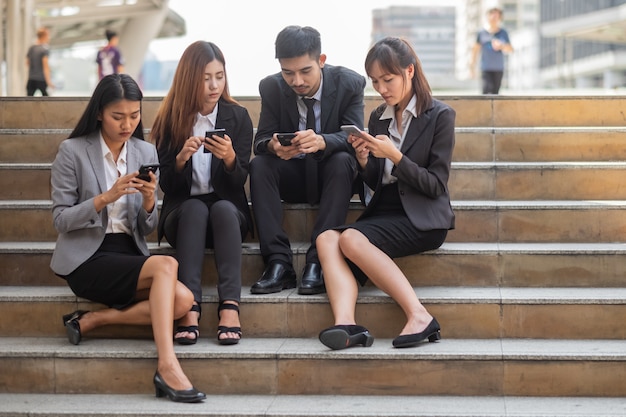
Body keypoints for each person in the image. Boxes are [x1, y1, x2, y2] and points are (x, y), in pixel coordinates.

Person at [50, 74, 205, 403]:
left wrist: (150, 201)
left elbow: (146, 228)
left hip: (128, 253)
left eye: (134, 116)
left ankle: (97, 319)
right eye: (118, 117)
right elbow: (61, 220)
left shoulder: (144, 150)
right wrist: (105, 198)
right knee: (166, 265)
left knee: (182, 301)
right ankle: (167, 364)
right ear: (99, 113)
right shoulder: (73, 151)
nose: (127, 124)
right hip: (87, 258)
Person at [317, 37, 456, 350]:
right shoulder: (378, 116)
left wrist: (394, 155)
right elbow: (375, 179)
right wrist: (365, 159)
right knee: (326, 238)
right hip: (387, 210)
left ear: (409, 70)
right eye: (375, 82)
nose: (381, 89)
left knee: (350, 239)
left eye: (388, 80)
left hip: (423, 215)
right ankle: (346, 325)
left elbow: (436, 184)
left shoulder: (440, 116)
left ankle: (419, 315)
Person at [249, 25, 366, 296]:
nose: (297, 81)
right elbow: (261, 140)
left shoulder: (350, 83)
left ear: (321, 61)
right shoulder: (271, 87)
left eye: (305, 71)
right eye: (288, 73)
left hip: (330, 176)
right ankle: (278, 263)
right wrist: (274, 146)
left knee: (342, 161)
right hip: (293, 174)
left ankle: (318, 261)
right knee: (259, 165)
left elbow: (354, 136)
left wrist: (323, 141)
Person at [151, 41, 252, 346]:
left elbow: (240, 182)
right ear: (189, 78)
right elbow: (167, 185)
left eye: (219, 76)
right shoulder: (170, 119)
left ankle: (230, 306)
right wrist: (181, 159)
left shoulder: (238, 117)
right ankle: (189, 306)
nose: (214, 85)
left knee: (220, 208)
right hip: (183, 215)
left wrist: (231, 159)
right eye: (206, 77)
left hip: (228, 216)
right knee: (195, 208)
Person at [469, 7, 513, 94]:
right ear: (488, 16)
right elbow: (475, 50)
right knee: (486, 91)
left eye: (496, 16)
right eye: (492, 15)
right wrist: (472, 67)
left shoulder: (503, 33)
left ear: (500, 18)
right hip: (485, 68)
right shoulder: (481, 33)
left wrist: (501, 46)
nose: (494, 18)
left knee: (495, 93)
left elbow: (510, 49)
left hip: (498, 68)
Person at [26, 27, 54, 96]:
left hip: (31, 79)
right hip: (41, 79)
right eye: (48, 35)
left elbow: (27, 63)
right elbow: (45, 66)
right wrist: (49, 81)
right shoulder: (44, 49)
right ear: (44, 36)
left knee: (28, 100)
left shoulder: (32, 48)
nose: (49, 37)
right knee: (46, 101)